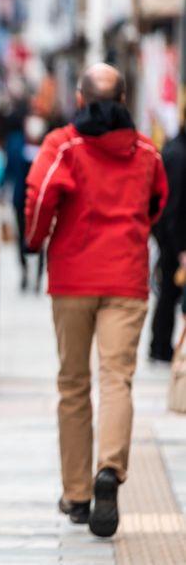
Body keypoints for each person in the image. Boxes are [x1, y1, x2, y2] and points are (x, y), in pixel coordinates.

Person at [25, 63, 167, 538]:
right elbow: (158, 200)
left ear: (80, 99)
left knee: (73, 383)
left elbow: (41, 195)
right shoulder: (146, 149)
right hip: (126, 278)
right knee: (117, 379)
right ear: (124, 99)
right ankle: (110, 469)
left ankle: (79, 492)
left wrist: (35, 239)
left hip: (72, 278)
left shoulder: (63, 144)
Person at [150, 107, 186, 363]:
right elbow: (173, 206)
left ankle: (160, 346)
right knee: (169, 295)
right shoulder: (179, 154)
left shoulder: (174, 149)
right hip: (176, 239)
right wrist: (179, 246)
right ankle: (161, 347)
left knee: (168, 294)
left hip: (170, 236)